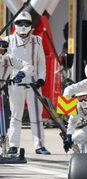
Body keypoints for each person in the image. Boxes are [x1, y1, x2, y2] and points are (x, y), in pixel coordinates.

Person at [5, 11, 50, 155]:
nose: (24, 28)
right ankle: (13, 145)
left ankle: (39, 145)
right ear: (16, 25)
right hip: (15, 82)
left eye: (27, 24)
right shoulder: (7, 40)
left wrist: (41, 78)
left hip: (33, 83)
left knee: (36, 115)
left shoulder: (36, 40)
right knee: (16, 114)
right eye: (21, 24)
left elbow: (41, 62)